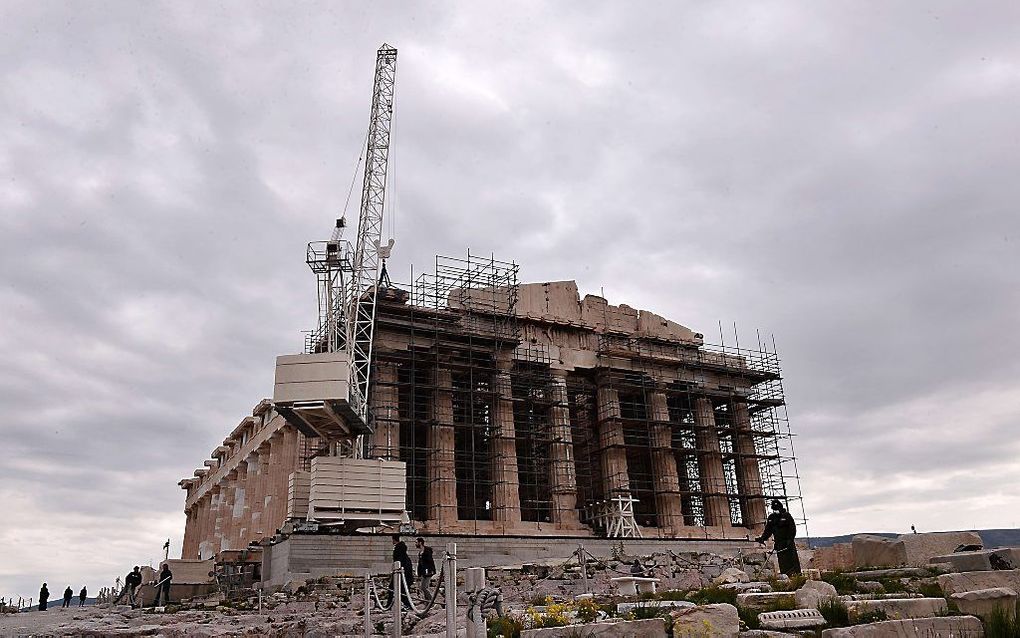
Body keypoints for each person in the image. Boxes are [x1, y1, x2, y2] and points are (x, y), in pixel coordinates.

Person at [756, 499, 801, 576]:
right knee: (782, 561)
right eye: (774, 508)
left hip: (788, 542)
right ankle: (785, 575)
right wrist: (762, 538)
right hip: (779, 543)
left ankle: (796, 575)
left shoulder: (786, 516)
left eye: (777, 508)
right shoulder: (771, 518)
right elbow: (768, 530)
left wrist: (790, 539)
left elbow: (792, 529)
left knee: (792, 559)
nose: (776, 510)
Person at [389, 534, 414, 608]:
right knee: (402, 589)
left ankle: (390, 604)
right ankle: (406, 604)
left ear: (393, 539)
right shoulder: (402, 550)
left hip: (401, 572)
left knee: (394, 588)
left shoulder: (399, 549)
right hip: (401, 571)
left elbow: (397, 561)